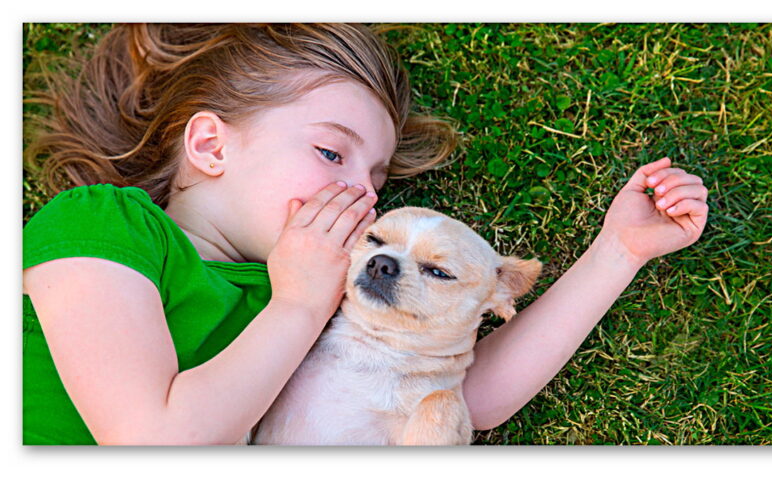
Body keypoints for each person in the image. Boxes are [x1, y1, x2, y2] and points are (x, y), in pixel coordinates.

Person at [22, 23, 709, 445]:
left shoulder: (312, 289)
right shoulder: (103, 223)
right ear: (210, 144)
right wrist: (295, 306)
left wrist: (618, 252)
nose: (362, 193)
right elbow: (153, 445)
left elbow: (467, 396)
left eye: (376, 177)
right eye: (331, 153)